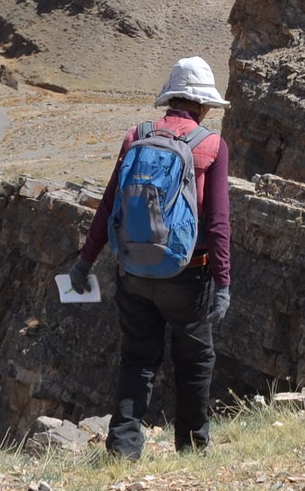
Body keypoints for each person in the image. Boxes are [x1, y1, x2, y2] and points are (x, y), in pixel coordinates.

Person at [69, 57, 232, 457]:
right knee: (194, 359)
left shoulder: (135, 136)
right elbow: (218, 222)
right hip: (188, 274)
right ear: (204, 105)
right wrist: (224, 282)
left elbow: (109, 204)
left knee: (138, 357)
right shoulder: (211, 145)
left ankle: (123, 449)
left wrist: (85, 261)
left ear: (171, 97)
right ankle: (193, 447)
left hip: (133, 270)